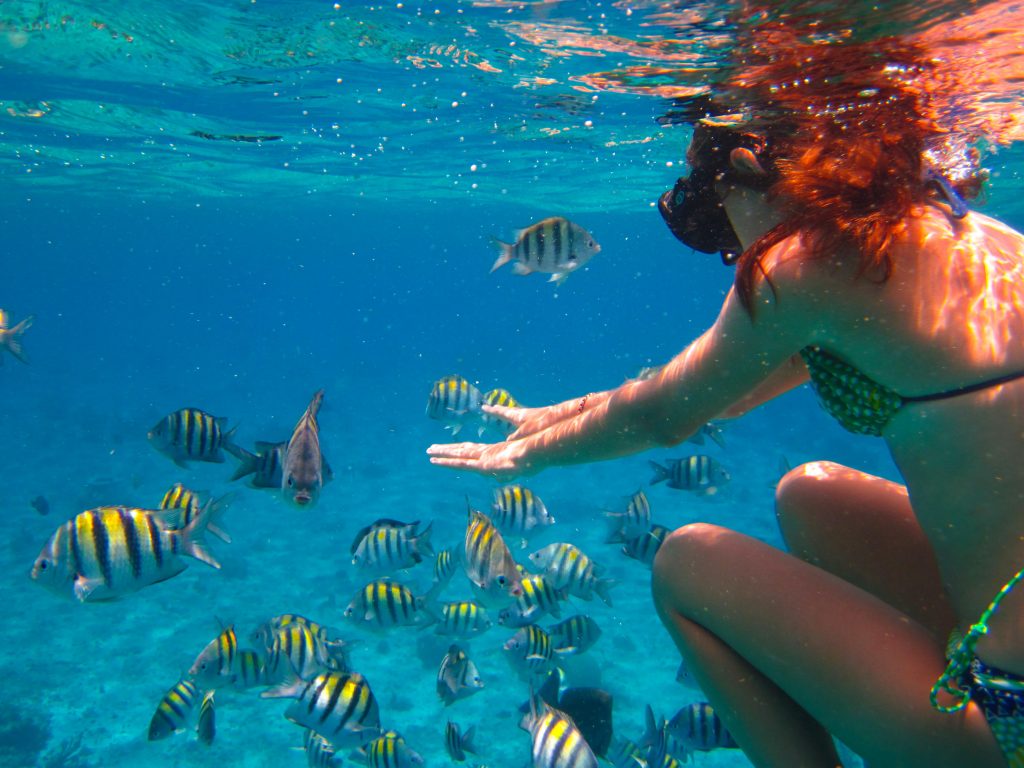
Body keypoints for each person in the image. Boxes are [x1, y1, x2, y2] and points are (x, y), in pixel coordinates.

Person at [427, 34, 1024, 768]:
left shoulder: (804, 265)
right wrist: (550, 416)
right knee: (811, 496)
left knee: (684, 563)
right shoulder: (941, 232)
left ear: (747, 163)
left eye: (707, 193)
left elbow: (663, 416)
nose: (727, 243)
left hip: (1016, 714)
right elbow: (717, 396)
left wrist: (523, 459)